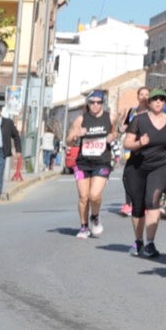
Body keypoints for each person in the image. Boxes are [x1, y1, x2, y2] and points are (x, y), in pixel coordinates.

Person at [121, 89, 166, 260]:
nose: (158, 102)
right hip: (137, 167)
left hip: (159, 166)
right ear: (149, 102)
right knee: (138, 206)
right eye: (155, 99)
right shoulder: (139, 120)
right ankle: (138, 240)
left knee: (152, 201)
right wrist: (139, 142)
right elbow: (127, 143)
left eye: (162, 99)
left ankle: (150, 242)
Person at [67, 90, 116, 237]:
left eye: (98, 102)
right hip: (83, 162)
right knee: (83, 197)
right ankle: (83, 227)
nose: (95, 105)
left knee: (94, 195)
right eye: (92, 102)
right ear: (88, 104)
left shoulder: (111, 117)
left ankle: (95, 216)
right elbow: (69, 140)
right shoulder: (80, 120)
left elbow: (115, 133)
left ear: (102, 103)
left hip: (102, 162)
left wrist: (111, 137)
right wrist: (76, 135)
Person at [118, 86, 151, 218]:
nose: (143, 97)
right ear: (137, 96)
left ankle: (147, 205)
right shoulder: (132, 111)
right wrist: (122, 127)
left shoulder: (151, 111)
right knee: (128, 176)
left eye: (146, 94)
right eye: (141, 94)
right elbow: (126, 126)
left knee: (145, 176)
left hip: (147, 147)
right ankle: (128, 204)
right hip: (131, 147)